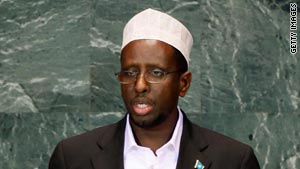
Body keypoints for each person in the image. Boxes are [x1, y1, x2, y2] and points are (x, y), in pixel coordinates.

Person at [49, 8, 260, 169]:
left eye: (156, 73)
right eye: (130, 73)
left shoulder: (233, 160)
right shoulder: (73, 157)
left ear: (183, 83)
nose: (140, 85)